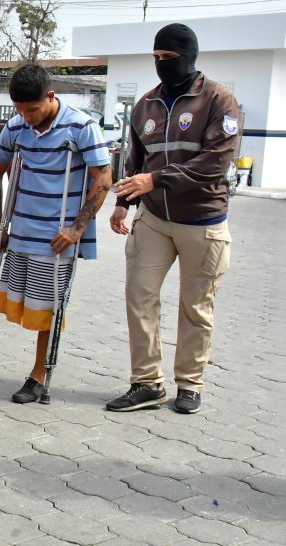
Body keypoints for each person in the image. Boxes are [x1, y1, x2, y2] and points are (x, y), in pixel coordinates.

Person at [107, 23, 238, 415]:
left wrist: (155, 179)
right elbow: (136, 159)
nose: (161, 65)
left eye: (169, 58)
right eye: (157, 58)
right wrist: (123, 203)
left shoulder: (218, 100)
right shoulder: (146, 104)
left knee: (196, 307)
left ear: (189, 56)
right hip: (155, 218)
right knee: (139, 296)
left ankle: (189, 383)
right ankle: (147, 382)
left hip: (203, 220)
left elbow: (215, 162)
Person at [0, 63, 111, 404]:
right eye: (20, 110)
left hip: (56, 237)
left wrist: (76, 229)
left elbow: (103, 180)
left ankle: (38, 375)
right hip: (22, 231)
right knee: (25, 305)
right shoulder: (15, 128)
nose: (26, 117)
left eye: (32, 109)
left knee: (49, 308)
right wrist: (0, 225)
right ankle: (36, 371)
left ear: (51, 96)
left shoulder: (82, 127)